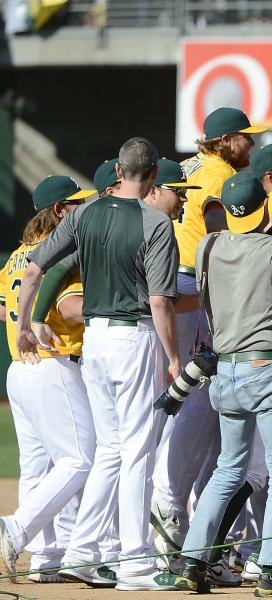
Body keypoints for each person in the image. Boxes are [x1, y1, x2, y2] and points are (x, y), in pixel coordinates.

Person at [15, 137, 181, 591]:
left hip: (96, 340)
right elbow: (161, 301)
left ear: (121, 170)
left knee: (110, 449)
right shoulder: (156, 222)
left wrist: (23, 325)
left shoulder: (84, 212)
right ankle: (135, 563)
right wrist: (173, 356)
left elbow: (34, 269)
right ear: (151, 177)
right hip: (135, 336)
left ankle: (83, 551)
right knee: (136, 451)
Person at [172, 171, 272, 597]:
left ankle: (193, 560)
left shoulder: (207, 245)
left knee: (228, 469)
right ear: (263, 206)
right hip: (268, 368)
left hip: (226, 371)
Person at [152, 107, 267, 568]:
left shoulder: (187, 166)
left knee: (186, 405)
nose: (251, 146)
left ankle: (179, 515)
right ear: (224, 141)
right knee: (198, 401)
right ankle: (170, 509)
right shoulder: (220, 176)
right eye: (245, 138)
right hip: (192, 286)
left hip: (173, 282)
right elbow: (229, 238)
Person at [0, 176, 95, 584]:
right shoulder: (58, 253)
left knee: (38, 466)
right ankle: (17, 528)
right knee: (80, 458)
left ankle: (48, 556)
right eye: (76, 204)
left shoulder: (16, 257)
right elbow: (71, 307)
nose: (82, 210)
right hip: (53, 362)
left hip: (19, 370)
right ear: (59, 210)